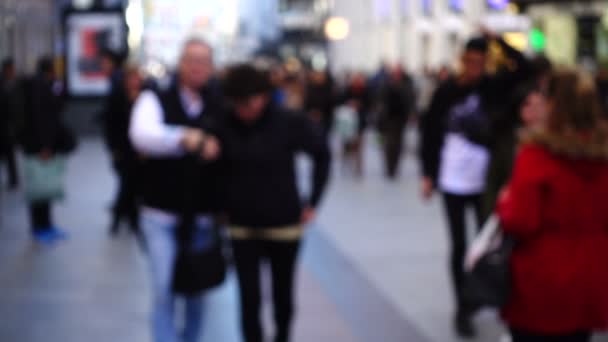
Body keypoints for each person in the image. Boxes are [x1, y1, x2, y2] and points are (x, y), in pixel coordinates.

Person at [419, 30, 530, 338]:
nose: (473, 66)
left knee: (486, 245)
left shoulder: (493, 89)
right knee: (458, 245)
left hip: (486, 181)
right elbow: (430, 133)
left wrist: (499, 40)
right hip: (451, 179)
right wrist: (427, 174)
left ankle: (481, 296)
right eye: (469, 60)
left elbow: (525, 68)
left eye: (479, 61)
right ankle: (462, 307)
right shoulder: (446, 91)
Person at [217, 64, 331, 342]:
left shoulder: (288, 121)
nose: (244, 110)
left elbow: (322, 153)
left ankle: (282, 336)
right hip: (242, 225)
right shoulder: (225, 122)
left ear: (264, 96)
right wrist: (219, 203)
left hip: (284, 223)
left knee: (283, 293)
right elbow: (214, 169)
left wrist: (312, 202)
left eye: (249, 102)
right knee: (248, 297)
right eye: (238, 104)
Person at [498, 69, 608, 342]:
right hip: (591, 277)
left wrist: (504, 202)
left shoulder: (537, 155)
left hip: (541, 280)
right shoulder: (602, 156)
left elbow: (521, 221)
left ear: (554, 105)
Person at [129, 39, 224, 342]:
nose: (197, 66)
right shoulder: (156, 97)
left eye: (203, 61)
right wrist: (184, 138)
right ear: (180, 63)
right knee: (163, 289)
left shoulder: (218, 104)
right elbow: (142, 135)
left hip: (202, 216)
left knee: (196, 292)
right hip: (160, 214)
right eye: (191, 59)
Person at [21, 57, 75, 243]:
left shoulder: (47, 85)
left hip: (42, 144)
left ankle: (46, 224)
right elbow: (40, 119)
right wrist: (44, 146)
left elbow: (60, 105)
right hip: (38, 146)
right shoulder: (38, 87)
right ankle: (38, 226)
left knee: (46, 185)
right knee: (39, 186)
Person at [103, 64, 144, 237]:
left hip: (140, 150)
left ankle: (130, 219)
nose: (134, 82)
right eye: (131, 78)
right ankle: (120, 218)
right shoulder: (117, 97)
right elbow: (110, 126)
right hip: (123, 149)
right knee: (126, 185)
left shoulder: (145, 97)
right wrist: (113, 148)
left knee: (134, 186)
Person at [379, 66, 416, 179]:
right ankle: (389, 167)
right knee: (389, 144)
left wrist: (411, 114)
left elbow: (410, 100)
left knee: (398, 144)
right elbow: (381, 101)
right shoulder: (386, 85)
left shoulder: (406, 86)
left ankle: (395, 167)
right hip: (388, 119)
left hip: (400, 119)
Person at [0, 58, 22, 190]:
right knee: (7, 153)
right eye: (10, 69)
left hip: (11, 126)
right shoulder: (2, 84)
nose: (12, 71)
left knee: (10, 154)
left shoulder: (17, 84)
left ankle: (13, 179)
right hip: (3, 124)